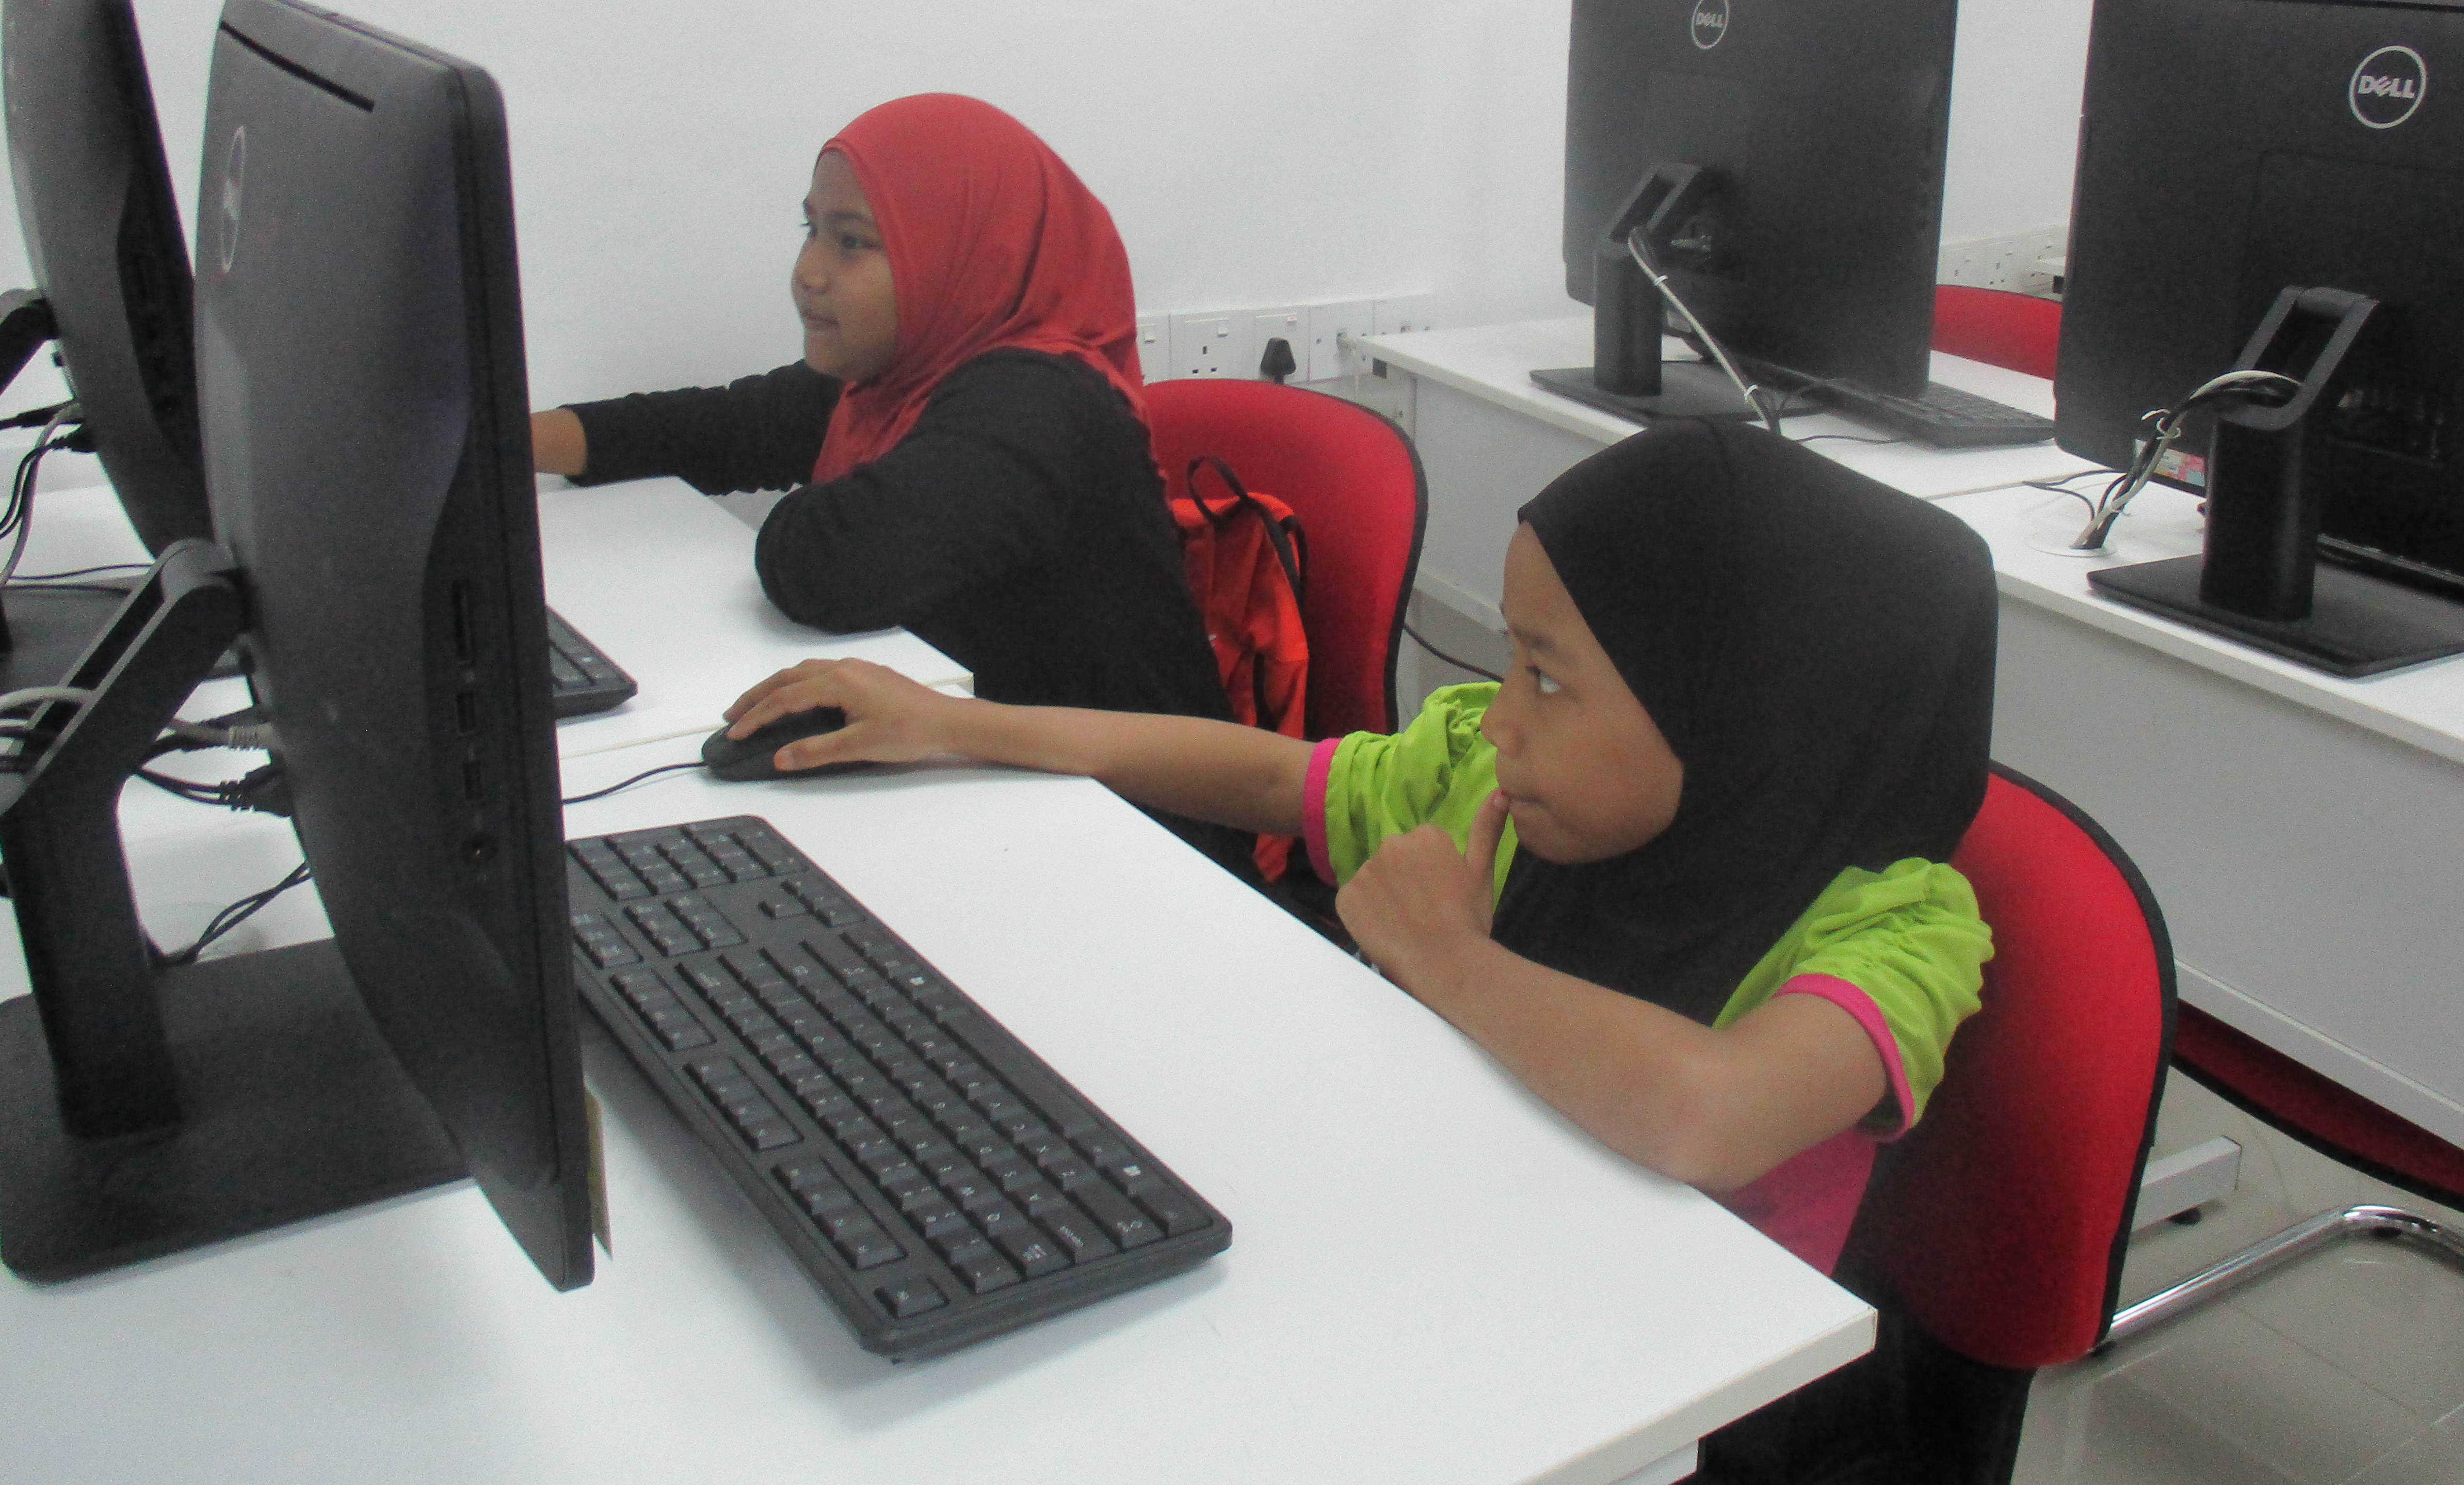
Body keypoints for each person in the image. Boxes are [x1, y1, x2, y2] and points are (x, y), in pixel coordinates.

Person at [721, 419, 1996, 1288]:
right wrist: (960, 724)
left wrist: (1442, 954)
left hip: (1670, 1380)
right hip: (1443, 1248)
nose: (1499, 718)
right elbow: (1271, 775)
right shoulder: (1499, 782)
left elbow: (1705, 1115)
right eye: (1511, 658)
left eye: (1549, 679)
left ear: (1739, 713)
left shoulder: (1895, 929)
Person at [532, 93, 1254, 879]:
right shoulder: (908, 369)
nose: (809, 273)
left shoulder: (1040, 407)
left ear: (962, 251)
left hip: (1137, 846)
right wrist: (507, 439)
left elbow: (830, 567)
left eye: (852, 243)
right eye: (811, 229)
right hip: (989, 795)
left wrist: (796, 510)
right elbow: (718, 426)